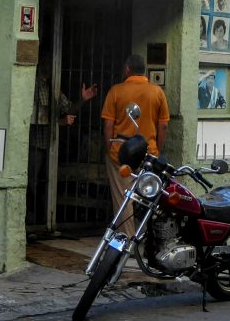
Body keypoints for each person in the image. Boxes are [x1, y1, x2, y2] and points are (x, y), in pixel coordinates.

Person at [27, 50, 98, 226]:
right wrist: (59, 122)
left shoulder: (53, 87)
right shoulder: (32, 85)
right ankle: (31, 220)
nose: (53, 68)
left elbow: (68, 110)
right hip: (34, 143)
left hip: (48, 145)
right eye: (51, 64)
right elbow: (34, 117)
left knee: (45, 184)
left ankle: (43, 220)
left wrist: (82, 100)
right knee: (32, 184)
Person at [101, 54, 169, 232]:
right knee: (149, 197)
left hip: (121, 153)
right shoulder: (157, 92)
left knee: (123, 198)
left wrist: (109, 148)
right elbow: (163, 126)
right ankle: (148, 238)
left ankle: (128, 239)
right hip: (148, 153)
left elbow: (108, 124)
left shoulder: (116, 91)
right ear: (144, 71)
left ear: (127, 69)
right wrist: (157, 151)